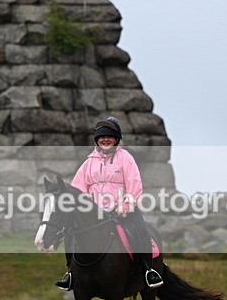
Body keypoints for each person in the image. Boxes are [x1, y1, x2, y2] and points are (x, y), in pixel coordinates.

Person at [55, 117, 164, 291]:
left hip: (122, 211)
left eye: (110, 136)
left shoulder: (126, 158)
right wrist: (83, 208)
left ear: (117, 139)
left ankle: (148, 271)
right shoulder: (88, 163)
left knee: (141, 229)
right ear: (96, 140)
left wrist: (126, 205)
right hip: (95, 213)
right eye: (101, 136)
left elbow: (134, 183)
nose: (105, 139)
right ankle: (70, 273)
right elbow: (78, 188)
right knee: (71, 233)